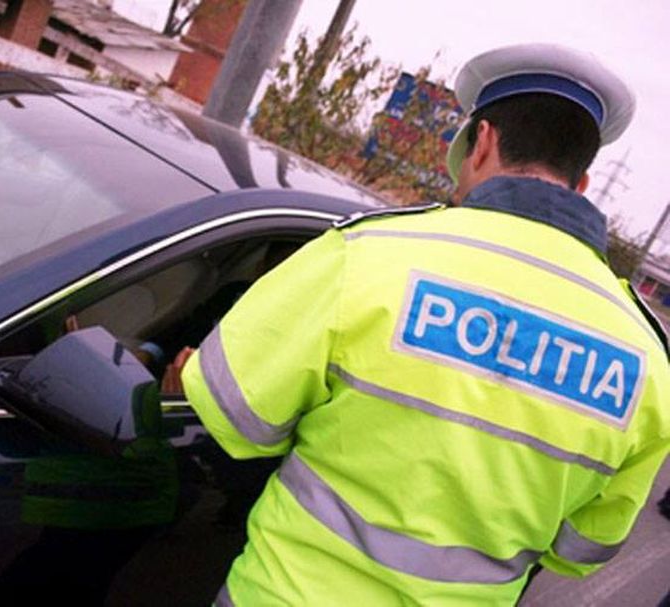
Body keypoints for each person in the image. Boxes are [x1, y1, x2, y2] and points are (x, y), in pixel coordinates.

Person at [178, 43, 670, 606]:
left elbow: (232, 415)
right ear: (581, 185)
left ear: (481, 143)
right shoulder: (647, 361)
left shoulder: (367, 255)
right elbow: (581, 548)